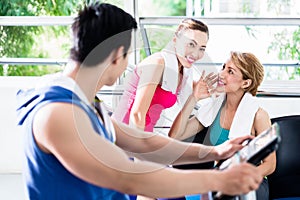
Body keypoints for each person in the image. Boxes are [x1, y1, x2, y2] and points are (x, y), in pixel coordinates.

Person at [16, 3, 263, 200]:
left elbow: (143, 142)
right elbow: (127, 176)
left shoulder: (86, 103)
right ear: (115, 55)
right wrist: (219, 179)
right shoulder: (59, 113)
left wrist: (216, 151)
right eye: (129, 56)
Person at [169, 51, 276, 200]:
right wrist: (194, 98)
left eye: (230, 71)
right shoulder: (214, 109)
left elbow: (270, 164)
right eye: (223, 67)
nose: (222, 74)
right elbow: (175, 135)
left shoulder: (259, 116)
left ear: (245, 83)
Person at [112, 18, 217, 132]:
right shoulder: (157, 64)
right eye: (191, 44)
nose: (196, 54)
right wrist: (139, 147)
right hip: (122, 135)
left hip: (143, 135)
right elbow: (137, 115)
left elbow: (196, 93)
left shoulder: (182, 73)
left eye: (201, 48)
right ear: (175, 40)